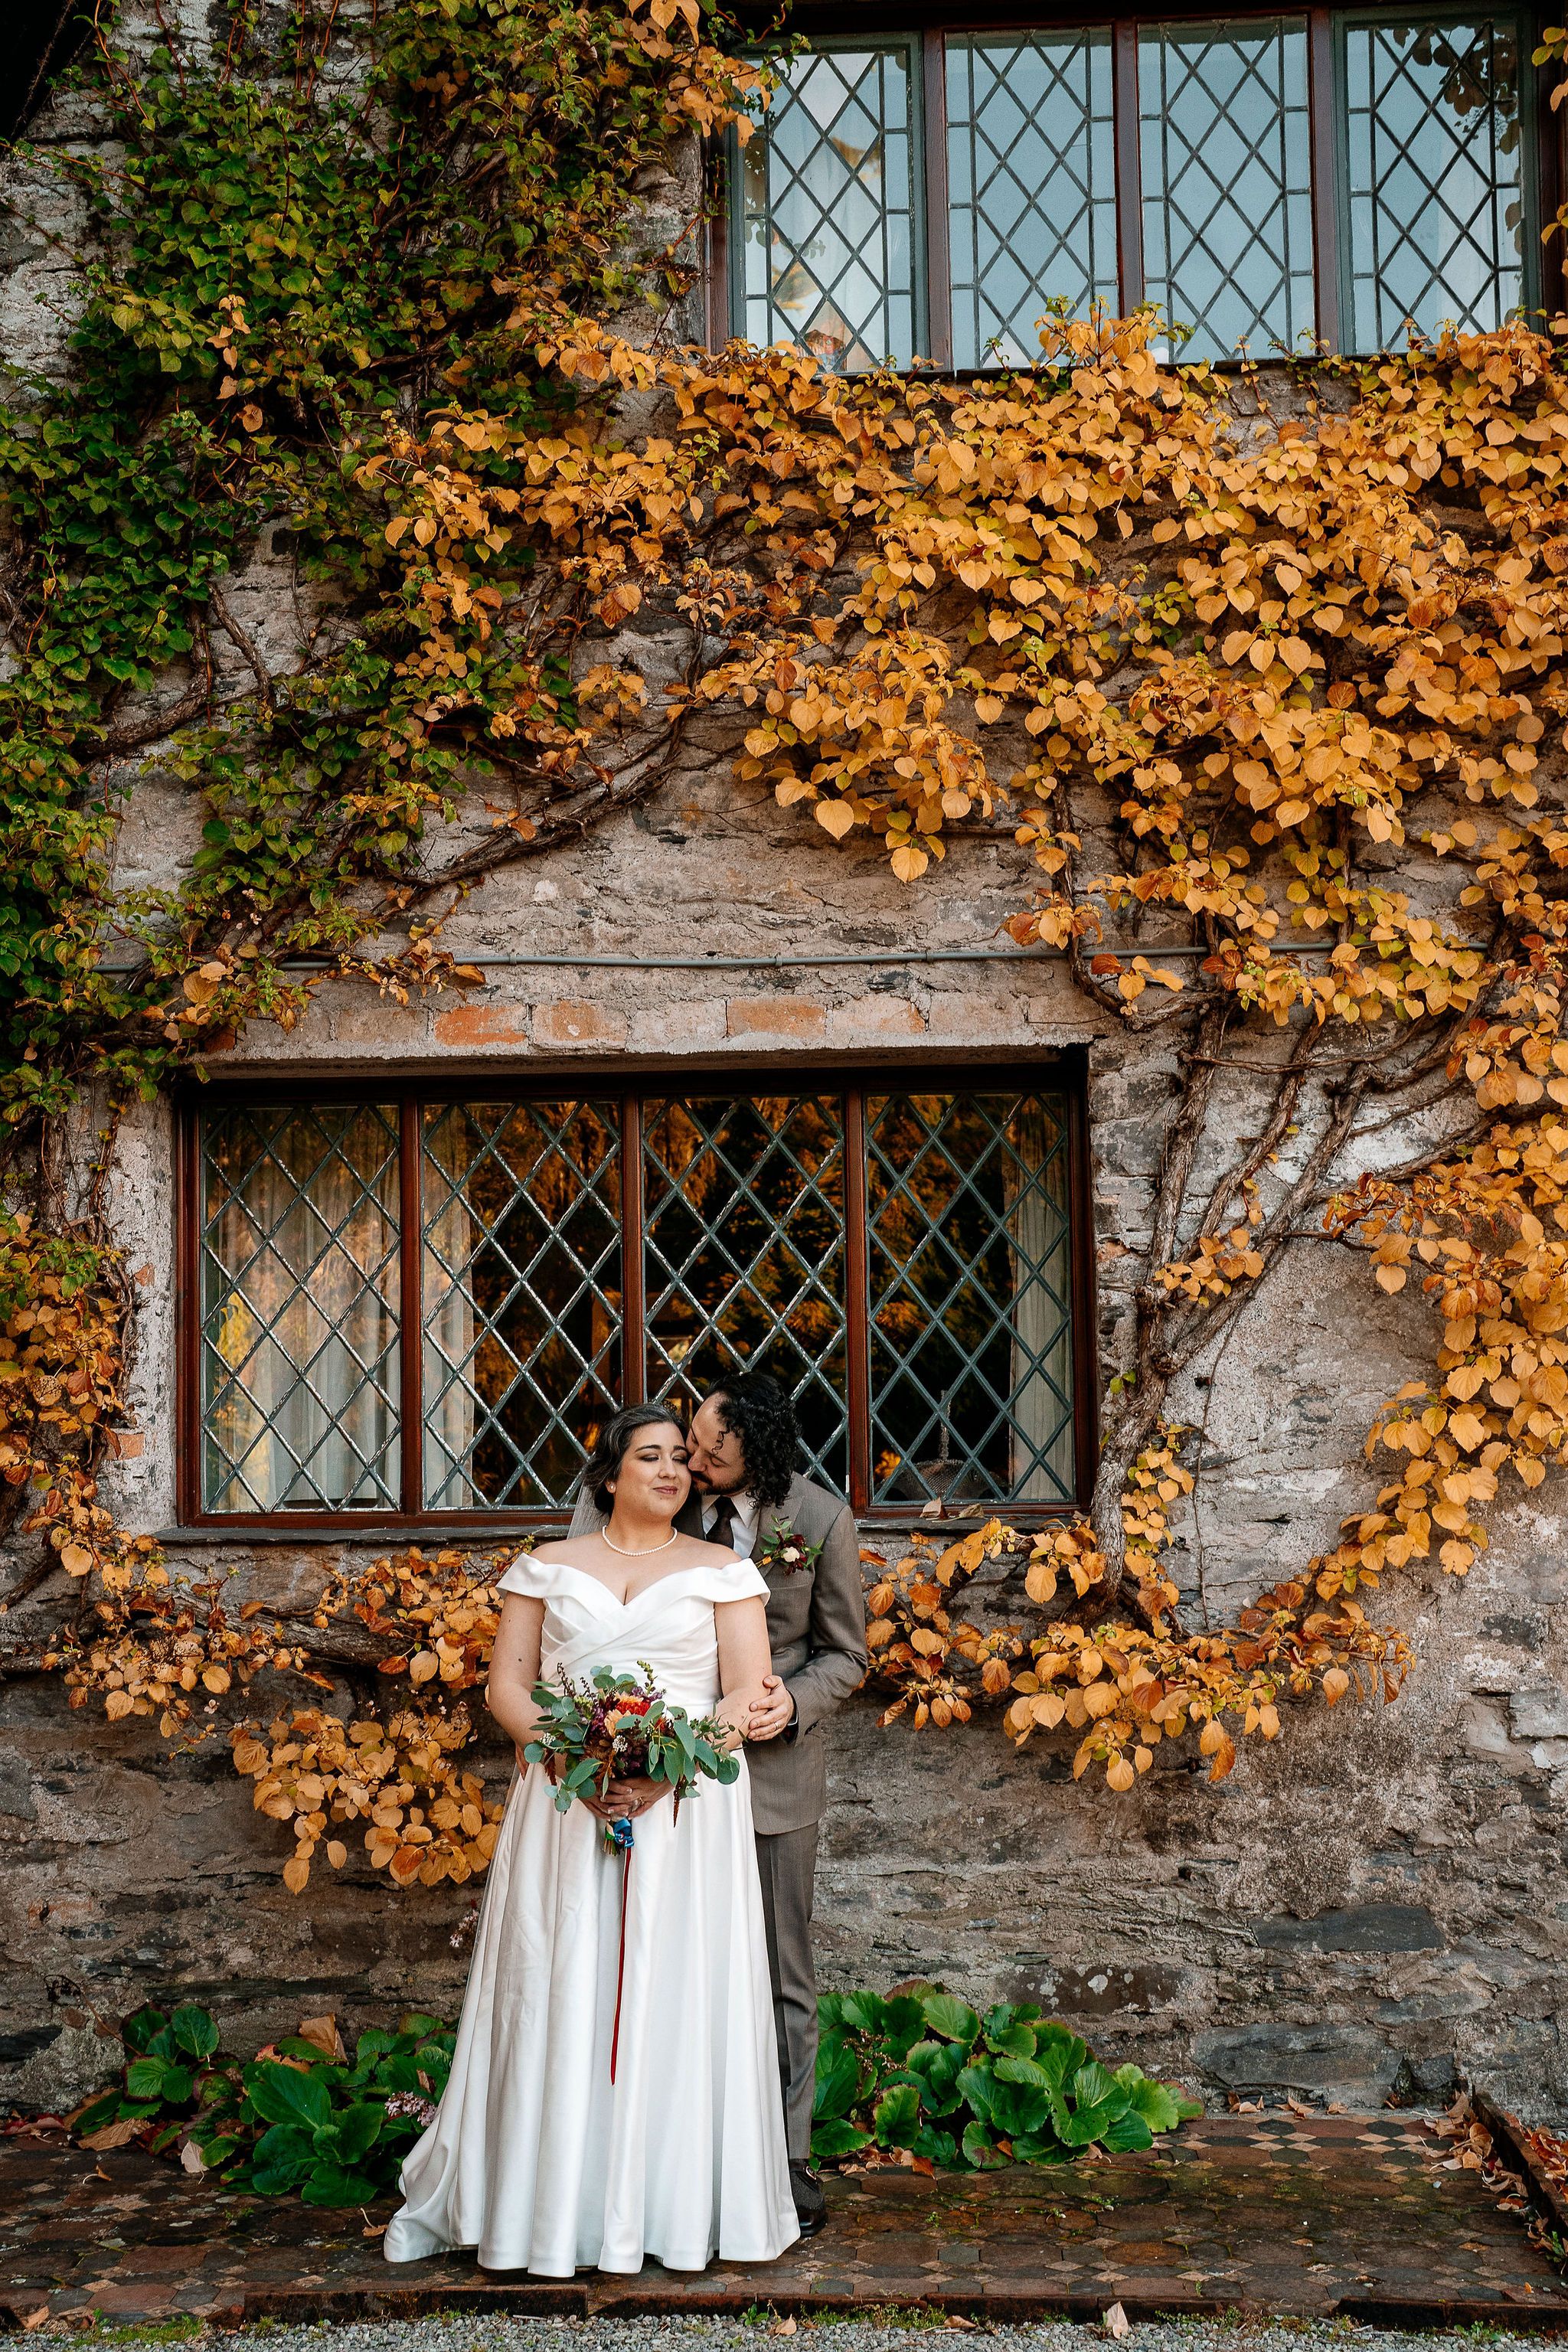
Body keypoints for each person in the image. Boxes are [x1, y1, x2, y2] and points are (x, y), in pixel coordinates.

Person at [384, 1404, 799, 2278]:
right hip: (566, 1804)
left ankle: (671, 2206)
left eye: (682, 1459)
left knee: (676, 1987)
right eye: (650, 1457)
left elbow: (743, 1694)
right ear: (608, 1475)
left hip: (685, 1813)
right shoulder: (545, 1567)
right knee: (559, 1977)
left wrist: (665, 1770)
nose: (671, 1471)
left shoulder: (724, 1571)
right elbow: (507, 1690)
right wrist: (580, 1757)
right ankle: (542, 2207)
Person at [570, 1372, 867, 2239]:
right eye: (687, 1443)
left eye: (709, 1451)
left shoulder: (819, 1521)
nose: (690, 1462)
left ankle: (786, 2159)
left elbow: (845, 1654)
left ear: (760, 1453)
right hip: (665, 1776)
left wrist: (794, 1703)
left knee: (781, 1975)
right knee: (670, 1966)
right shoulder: (666, 1508)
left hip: (771, 1780)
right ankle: (678, 2153)